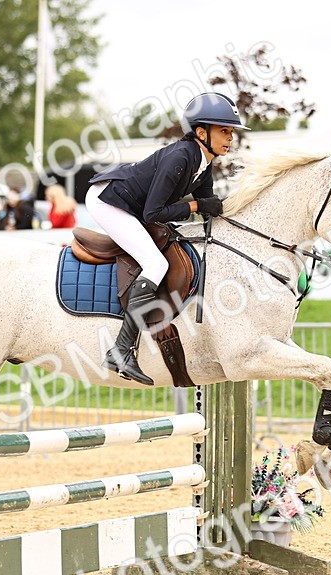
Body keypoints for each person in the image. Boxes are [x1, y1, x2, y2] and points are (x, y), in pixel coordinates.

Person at [85, 91, 244, 385]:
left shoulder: (204, 163)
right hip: (108, 199)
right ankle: (121, 351)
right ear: (201, 132)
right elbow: (153, 212)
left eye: (231, 131)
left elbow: (211, 207)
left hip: (130, 203)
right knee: (155, 264)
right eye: (224, 130)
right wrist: (196, 206)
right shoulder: (179, 157)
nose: (230, 137)